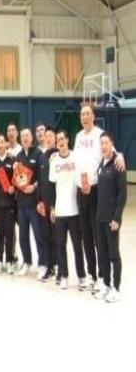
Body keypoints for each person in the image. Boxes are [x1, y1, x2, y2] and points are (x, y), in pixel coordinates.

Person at [74, 103, 125, 293]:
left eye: (88, 114)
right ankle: (92, 275)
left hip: (96, 191)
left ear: (93, 116)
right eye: (82, 114)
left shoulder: (99, 134)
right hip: (81, 191)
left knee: (98, 237)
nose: (85, 117)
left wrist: (121, 155)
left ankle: (103, 277)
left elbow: (112, 152)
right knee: (86, 236)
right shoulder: (78, 137)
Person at [49, 130, 87, 291]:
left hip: (75, 211)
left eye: (63, 138)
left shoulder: (75, 158)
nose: (61, 141)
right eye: (58, 139)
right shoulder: (54, 161)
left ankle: (82, 276)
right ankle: (64, 275)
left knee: (77, 246)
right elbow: (51, 186)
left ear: (68, 140)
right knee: (60, 246)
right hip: (60, 211)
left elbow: (83, 178)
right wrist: (52, 207)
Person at [94, 132, 127, 303]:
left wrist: (117, 218)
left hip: (111, 219)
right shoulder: (101, 163)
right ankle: (106, 285)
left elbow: (122, 194)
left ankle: (116, 288)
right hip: (100, 218)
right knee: (102, 253)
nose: (103, 146)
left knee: (114, 254)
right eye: (101, 143)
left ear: (111, 144)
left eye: (106, 143)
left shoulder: (118, 164)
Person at [14, 128, 44, 277]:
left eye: (27, 135)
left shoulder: (38, 154)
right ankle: (26, 262)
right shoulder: (18, 157)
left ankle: (42, 264)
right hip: (21, 204)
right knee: (23, 236)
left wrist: (34, 186)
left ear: (32, 138)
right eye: (22, 136)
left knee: (38, 235)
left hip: (34, 204)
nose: (25, 138)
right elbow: (16, 179)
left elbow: (42, 177)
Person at [0, 133, 16, 274]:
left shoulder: (12, 161)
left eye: (2, 142)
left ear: (6, 144)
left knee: (9, 233)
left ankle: (9, 261)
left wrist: (14, 187)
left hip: (10, 204)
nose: (0, 145)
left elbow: (18, 179)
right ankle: (0, 260)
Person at [36, 126, 58, 282]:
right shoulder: (42, 157)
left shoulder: (60, 155)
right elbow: (40, 181)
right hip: (44, 205)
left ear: (55, 138)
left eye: (51, 136)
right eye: (46, 136)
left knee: (57, 239)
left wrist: (55, 206)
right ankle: (50, 268)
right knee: (47, 237)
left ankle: (60, 269)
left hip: (57, 206)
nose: (48, 138)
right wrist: (39, 201)